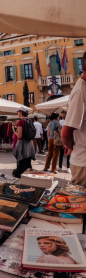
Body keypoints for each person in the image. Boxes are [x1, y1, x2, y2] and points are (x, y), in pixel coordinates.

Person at [62, 52, 86, 185]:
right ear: (84, 68)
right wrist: (70, 145)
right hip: (83, 164)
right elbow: (65, 133)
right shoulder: (80, 92)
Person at [12, 107, 35, 178]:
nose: (17, 113)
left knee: (21, 164)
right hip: (29, 144)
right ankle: (28, 178)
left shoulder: (21, 122)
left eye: (18, 112)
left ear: (21, 112)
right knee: (28, 163)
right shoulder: (30, 120)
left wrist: (15, 132)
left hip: (22, 144)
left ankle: (21, 179)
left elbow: (20, 136)